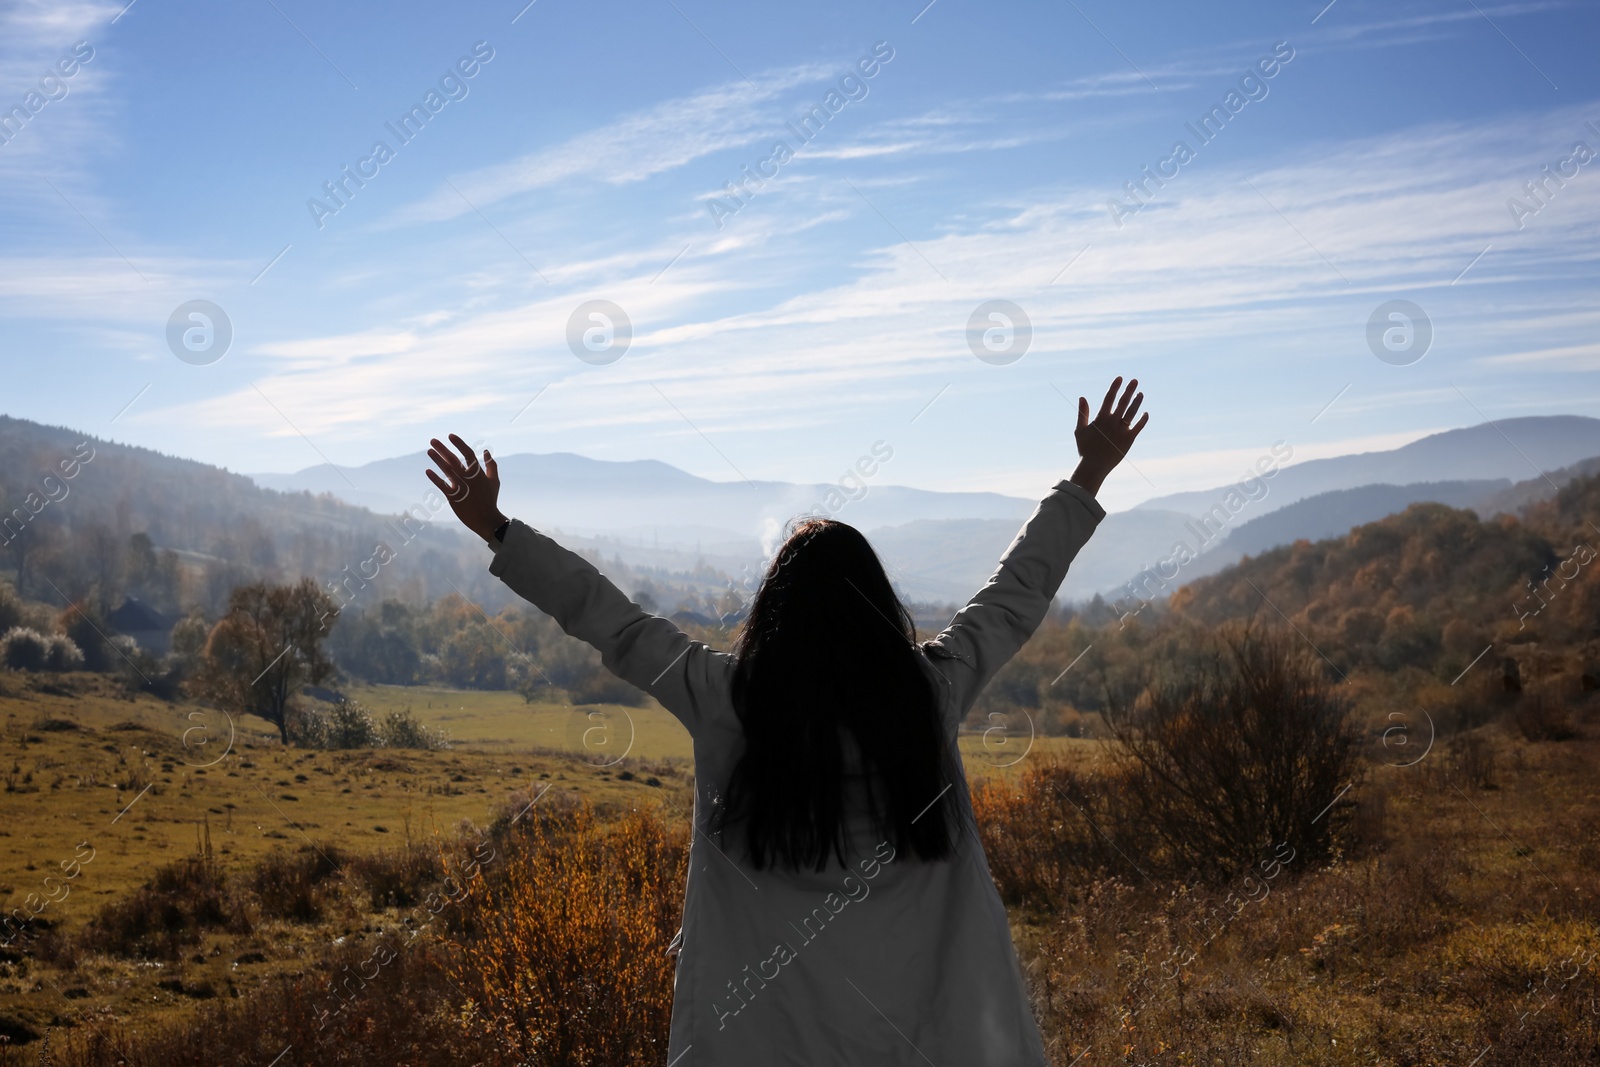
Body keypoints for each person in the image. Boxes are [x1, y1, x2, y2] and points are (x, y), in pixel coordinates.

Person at [426, 376, 1148, 1066]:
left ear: (773, 612)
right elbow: (1015, 592)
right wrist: (1087, 474)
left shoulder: (726, 701)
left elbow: (609, 618)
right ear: (877, 606)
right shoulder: (929, 692)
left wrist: (496, 527)